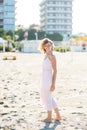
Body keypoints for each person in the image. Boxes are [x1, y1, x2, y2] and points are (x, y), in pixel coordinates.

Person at [39, 38, 61, 122]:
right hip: (43, 79)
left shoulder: (52, 57)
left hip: (49, 80)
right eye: (46, 45)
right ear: (43, 47)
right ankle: (58, 116)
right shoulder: (45, 56)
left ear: (52, 46)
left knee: (48, 98)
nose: (48, 47)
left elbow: (55, 71)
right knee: (50, 98)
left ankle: (49, 117)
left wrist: (53, 84)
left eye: (49, 45)